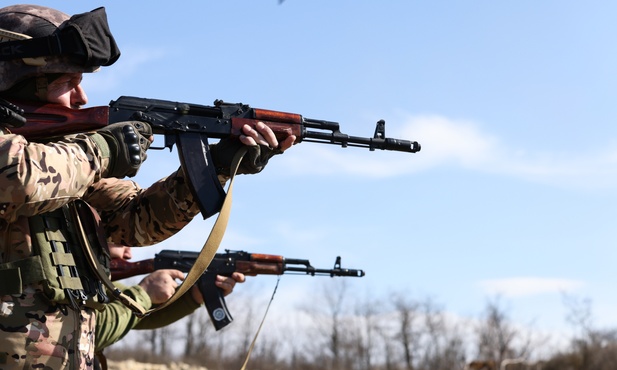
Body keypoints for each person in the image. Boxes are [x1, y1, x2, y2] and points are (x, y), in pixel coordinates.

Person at [0, 4, 295, 369]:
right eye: (67, 83)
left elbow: (135, 221)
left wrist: (219, 165)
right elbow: (20, 179)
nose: (82, 99)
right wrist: (106, 147)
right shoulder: (29, 154)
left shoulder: (67, 158)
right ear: (18, 82)